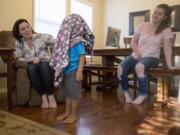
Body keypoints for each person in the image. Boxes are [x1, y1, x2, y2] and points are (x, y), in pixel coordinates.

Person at [118, 4, 176, 104]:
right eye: (155, 12)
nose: (155, 15)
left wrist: (170, 64)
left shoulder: (166, 30)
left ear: (165, 17)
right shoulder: (142, 25)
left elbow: (167, 48)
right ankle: (126, 94)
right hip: (138, 55)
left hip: (152, 57)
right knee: (120, 68)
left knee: (139, 67)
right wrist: (137, 51)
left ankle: (143, 94)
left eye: (159, 14)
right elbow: (133, 41)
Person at [50, 14, 94, 123]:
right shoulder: (65, 42)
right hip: (65, 71)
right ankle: (67, 112)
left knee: (74, 95)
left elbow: (82, 56)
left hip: (74, 71)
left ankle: (73, 115)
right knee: (67, 94)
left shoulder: (78, 41)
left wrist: (80, 71)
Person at [12, 19, 57, 109]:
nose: (27, 30)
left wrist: (53, 56)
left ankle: (51, 97)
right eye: (23, 29)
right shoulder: (18, 42)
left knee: (44, 66)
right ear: (19, 33)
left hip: (45, 62)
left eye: (28, 27)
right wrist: (30, 59)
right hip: (31, 64)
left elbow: (58, 43)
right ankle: (43, 97)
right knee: (31, 68)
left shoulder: (41, 37)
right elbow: (18, 57)